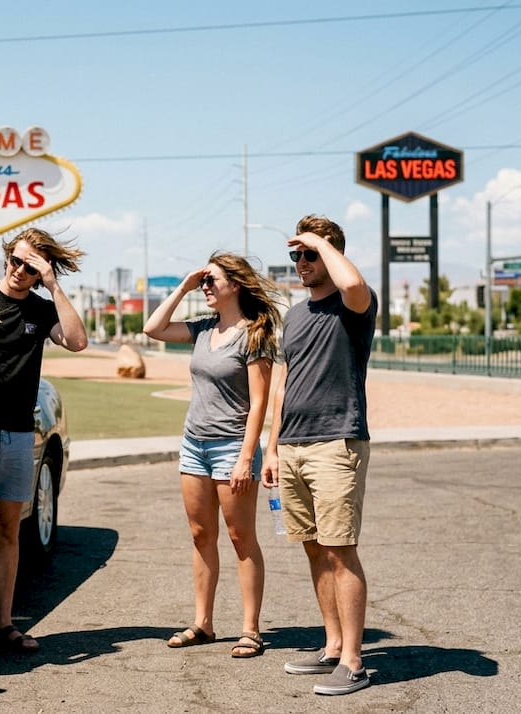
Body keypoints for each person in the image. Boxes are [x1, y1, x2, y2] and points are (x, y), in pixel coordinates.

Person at [261, 214, 378, 696]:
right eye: (297, 255)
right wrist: (271, 446)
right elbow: (283, 386)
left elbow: (352, 280)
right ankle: (332, 645)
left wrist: (319, 241)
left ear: (331, 253)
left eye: (309, 254)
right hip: (293, 445)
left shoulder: (354, 305)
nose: (301, 262)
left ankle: (354, 660)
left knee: (339, 548)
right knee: (312, 546)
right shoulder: (295, 315)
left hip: (337, 440)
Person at [143, 251, 282, 658]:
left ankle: (250, 629)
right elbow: (153, 328)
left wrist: (245, 458)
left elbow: (260, 403)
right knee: (201, 534)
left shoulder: (254, 333)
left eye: (211, 280)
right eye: (203, 281)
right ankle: (203, 623)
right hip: (194, 444)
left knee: (241, 538)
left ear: (235, 285)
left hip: (231, 447)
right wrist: (182, 287)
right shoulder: (204, 329)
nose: (205, 286)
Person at [0, 227, 88, 656]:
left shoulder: (40, 307)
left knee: (9, 530)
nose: (19, 270)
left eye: (30, 266)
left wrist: (52, 286)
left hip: (17, 435)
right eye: (15, 260)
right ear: (5, 257)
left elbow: (77, 342)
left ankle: (5, 624)